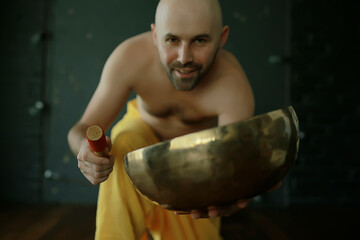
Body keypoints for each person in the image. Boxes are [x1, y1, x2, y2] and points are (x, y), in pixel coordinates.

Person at [68, 0, 280, 239]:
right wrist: (85, 152)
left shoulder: (233, 88)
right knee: (123, 143)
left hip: (196, 169)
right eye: (172, 40)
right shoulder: (130, 58)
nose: (184, 57)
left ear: (222, 38)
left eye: (200, 40)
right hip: (140, 139)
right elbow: (81, 129)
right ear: (155, 35)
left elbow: (230, 167)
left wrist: (242, 190)